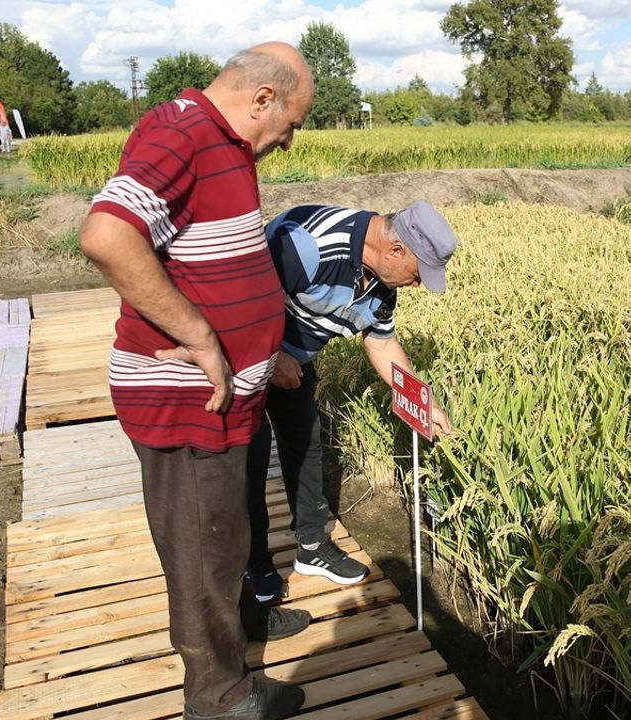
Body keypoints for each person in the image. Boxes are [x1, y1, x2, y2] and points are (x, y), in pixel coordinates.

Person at [79, 42, 314, 720]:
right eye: (292, 123)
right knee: (202, 549)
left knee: (227, 526)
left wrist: (261, 347)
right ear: (263, 99)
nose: (289, 140)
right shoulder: (183, 133)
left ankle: (243, 626)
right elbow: (107, 234)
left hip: (227, 397)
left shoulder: (222, 141)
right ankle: (220, 696)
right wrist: (199, 333)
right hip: (188, 403)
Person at [246, 201, 456, 600]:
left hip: (296, 362)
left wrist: (422, 401)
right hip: (247, 356)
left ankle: (311, 548)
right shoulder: (308, 244)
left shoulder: (382, 282)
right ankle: (253, 566)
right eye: (417, 274)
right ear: (396, 251)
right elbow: (241, 303)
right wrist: (272, 357)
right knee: (248, 465)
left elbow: (382, 343)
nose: (416, 285)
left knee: (305, 447)